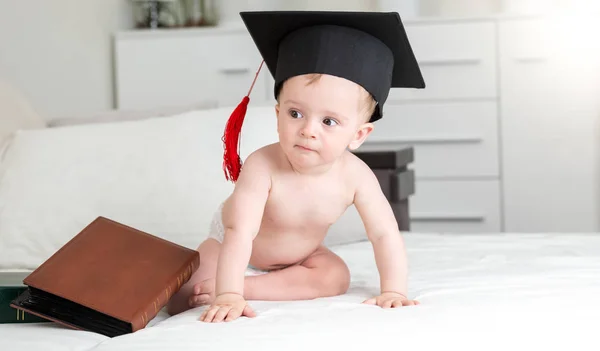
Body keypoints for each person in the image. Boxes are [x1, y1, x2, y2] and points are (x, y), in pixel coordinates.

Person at [166, 10, 425, 323]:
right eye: (295, 114)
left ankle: (252, 287)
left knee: (335, 277)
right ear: (277, 115)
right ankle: (236, 286)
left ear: (358, 135)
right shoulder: (262, 165)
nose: (308, 130)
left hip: (299, 258)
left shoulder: (356, 177)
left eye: (329, 121)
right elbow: (240, 232)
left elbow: (385, 234)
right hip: (230, 248)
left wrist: (394, 290)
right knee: (184, 296)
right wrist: (227, 291)